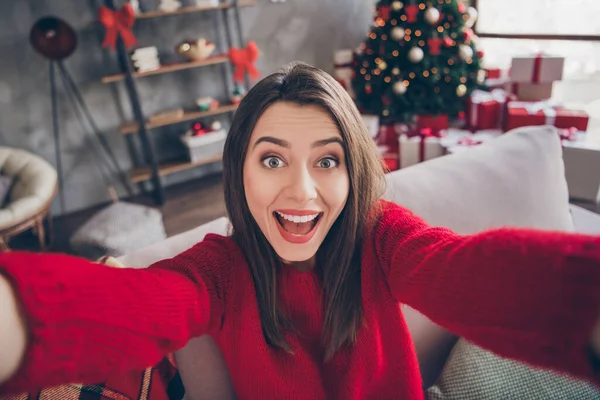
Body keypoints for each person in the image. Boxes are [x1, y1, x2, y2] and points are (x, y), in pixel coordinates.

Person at [1, 62, 600, 400]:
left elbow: (461, 272)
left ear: (352, 171)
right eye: (271, 160)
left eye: (327, 160)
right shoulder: (220, 268)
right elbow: (140, 307)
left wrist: (580, 301)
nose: (301, 193)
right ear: (240, 170)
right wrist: (16, 315)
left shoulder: (382, 235)